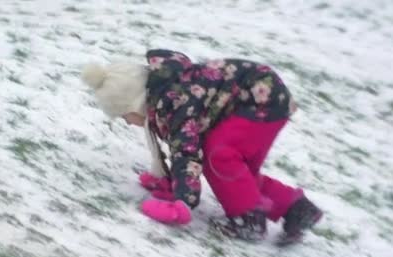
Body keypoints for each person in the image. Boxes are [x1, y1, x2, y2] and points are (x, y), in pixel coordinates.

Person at [81, 49, 322, 244]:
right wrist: (170, 180)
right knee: (236, 173)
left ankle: (248, 220)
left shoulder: (172, 103)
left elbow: (186, 152)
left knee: (219, 157)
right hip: (259, 101)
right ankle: (295, 207)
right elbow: (181, 147)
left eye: (124, 116)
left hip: (262, 102)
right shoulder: (167, 92)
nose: (128, 122)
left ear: (133, 103)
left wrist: (182, 200)